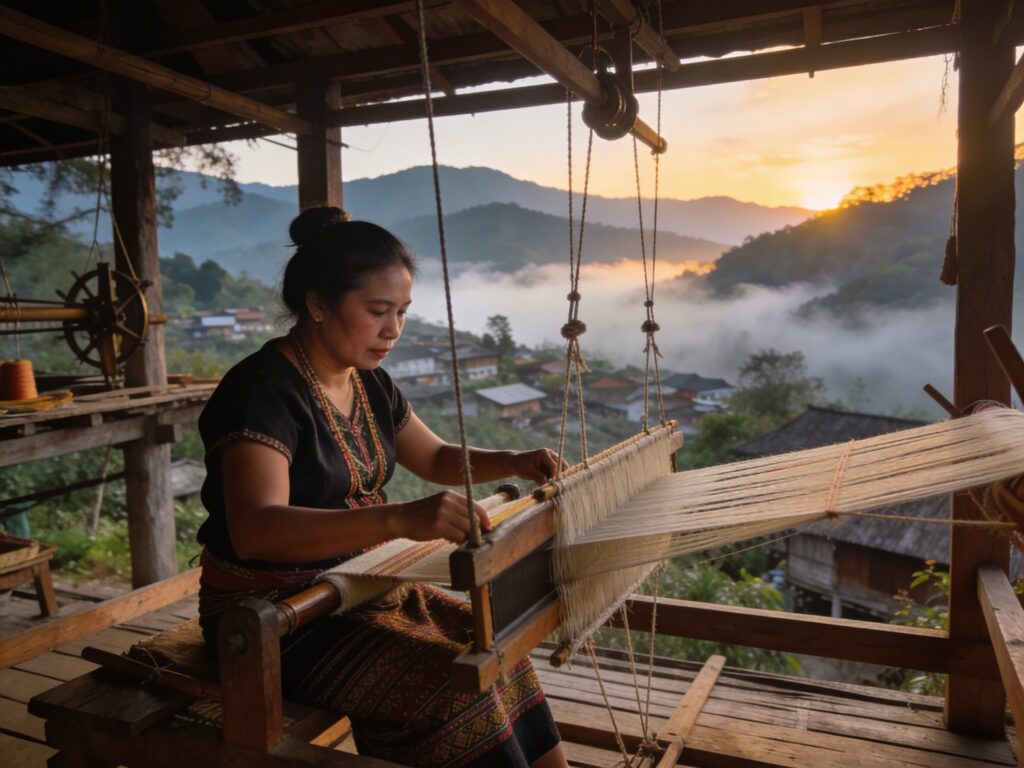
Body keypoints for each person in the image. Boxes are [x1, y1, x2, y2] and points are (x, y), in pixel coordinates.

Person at [196, 206, 569, 768]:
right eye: (377, 311)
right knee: (449, 684)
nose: (393, 330)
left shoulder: (369, 381)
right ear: (318, 304)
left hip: (362, 586)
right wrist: (399, 519)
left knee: (496, 648)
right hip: (276, 615)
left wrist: (513, 461)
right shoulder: (262, 391)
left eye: (401, 312)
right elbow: (257, 530)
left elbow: (435, 456)